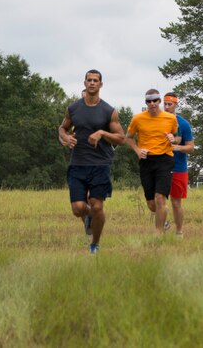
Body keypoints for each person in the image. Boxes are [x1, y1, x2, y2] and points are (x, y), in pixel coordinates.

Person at [58, 69, 125, 254]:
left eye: (96, 80)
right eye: (89, 80)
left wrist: (102, 133)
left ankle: (94, 244)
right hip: (78, 163)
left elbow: (121, 138)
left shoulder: (109, 111)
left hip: (100, 165)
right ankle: (88, 217)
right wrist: (64, 138)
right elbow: (63, 128)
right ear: (85, 83)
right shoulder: (73, 109)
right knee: (78, 208)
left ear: (101, 84)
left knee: (97, 206)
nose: (92, 83)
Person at [125, 89, 178, 234]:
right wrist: (137, 150)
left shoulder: (170, 118)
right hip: (146, 160)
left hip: (165, 159)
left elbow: (175, 135)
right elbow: (128, 137)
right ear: (146, 102)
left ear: (159, 101)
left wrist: (173, 139)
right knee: (151, 203)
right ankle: (164, 220)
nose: (152, 104)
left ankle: (158, 233)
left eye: (155, 100)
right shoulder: (138, 119)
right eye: (149, 101)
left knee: (160, 198)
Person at [163, 92, 194, 238]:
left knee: (176, 203)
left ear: (176, 105)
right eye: (165, 104)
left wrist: (178, 148)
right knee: (156, 200)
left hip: (178, 168)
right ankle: (163, 223)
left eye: (170, 104)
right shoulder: (158, 121)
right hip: (160, 167)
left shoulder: (183, 124)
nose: (167, 107)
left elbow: (190, 147)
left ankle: (179, 232)